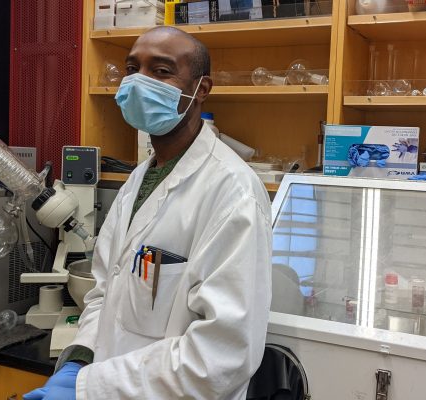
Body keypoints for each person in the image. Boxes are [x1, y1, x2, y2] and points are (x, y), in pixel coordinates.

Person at [24, 26, 272, 400]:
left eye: (160, 71)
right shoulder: (139, 178)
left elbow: (221, 356)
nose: (138, 82)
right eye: (131, 69)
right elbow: (104, 291)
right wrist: (78, 360)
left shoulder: (233, 193)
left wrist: (90, 389)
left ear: (201, 89)